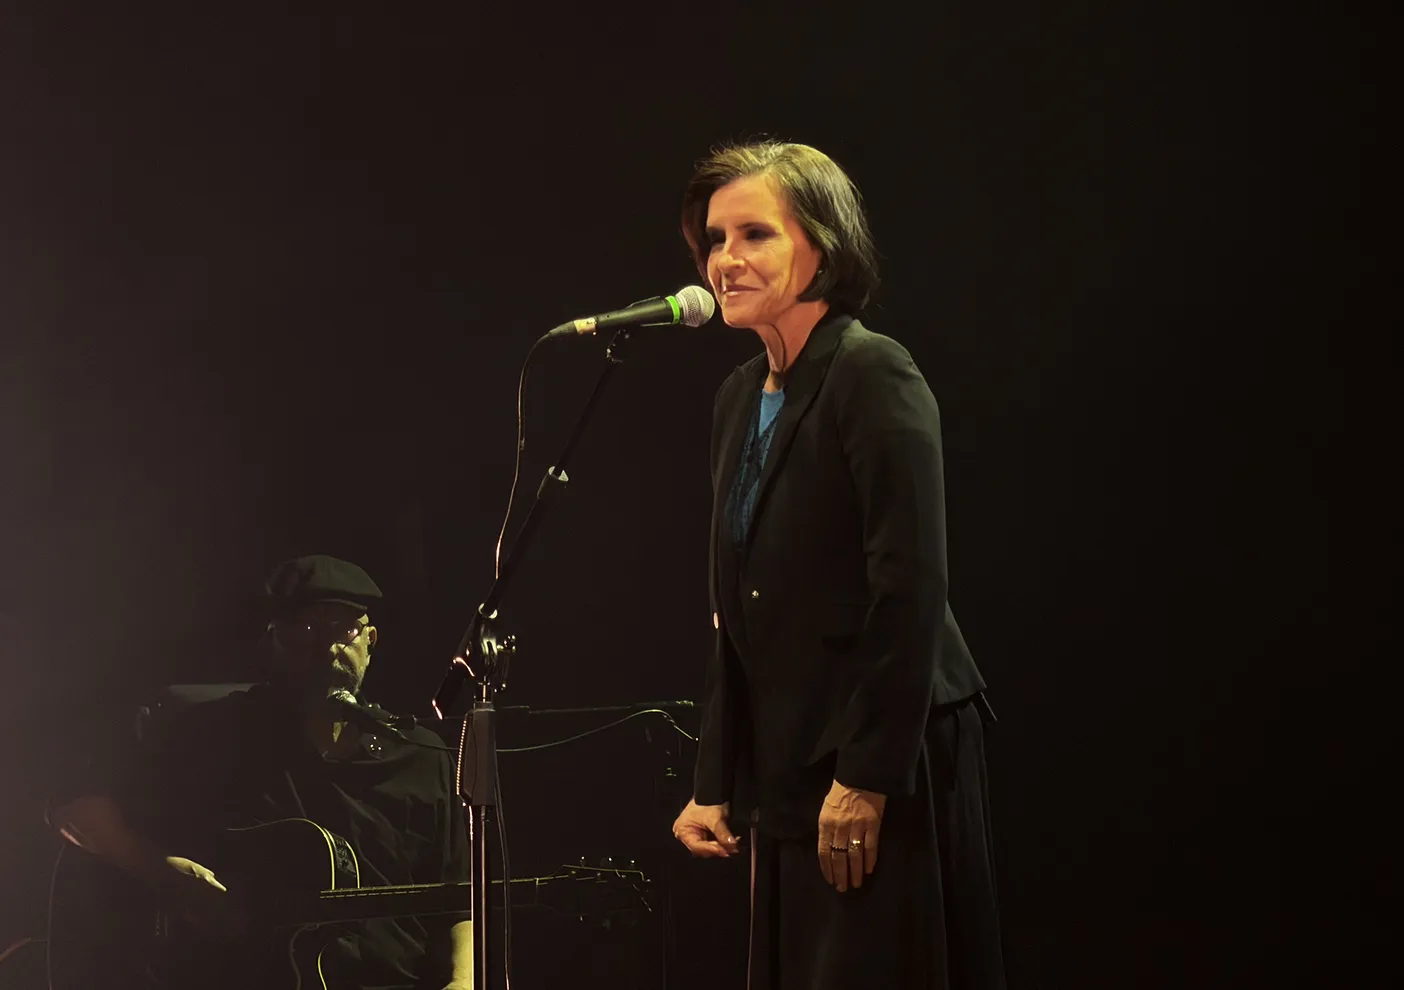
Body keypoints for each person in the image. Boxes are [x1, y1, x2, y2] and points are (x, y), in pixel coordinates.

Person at [669, 141, 1006, 989]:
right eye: (715, 239)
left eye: (755, 234)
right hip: (791, 747)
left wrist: (865, 774)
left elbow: (910, 588)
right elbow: (734, 603)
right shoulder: (739, 396)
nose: (726, 260)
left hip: (883, 743)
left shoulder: (872, 371)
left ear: (822, 246)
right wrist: (716, 775)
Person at [48, 554, 473, 990]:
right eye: (306, 631)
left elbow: (461, 899)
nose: (327, 648)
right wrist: (160, 871)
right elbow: (77, 810)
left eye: (344, 630)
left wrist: (463, 980)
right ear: (274, 639)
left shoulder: (420, 754)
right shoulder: (212, 734)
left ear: (370, 639)